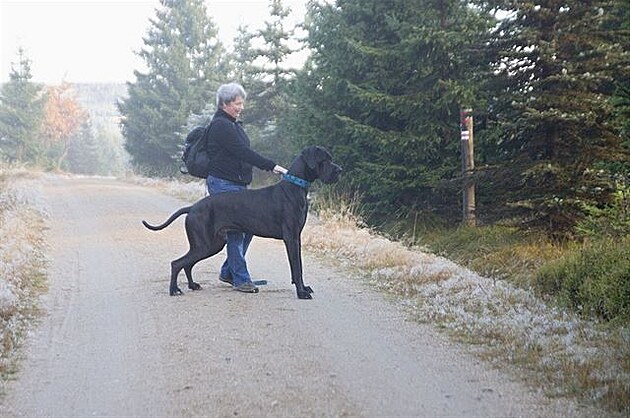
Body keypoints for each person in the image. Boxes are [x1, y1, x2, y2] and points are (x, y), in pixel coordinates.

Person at [205, 82, 286, 293]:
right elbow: (242, 152)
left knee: (248, 227)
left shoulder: (232, 124)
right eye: (237, 104)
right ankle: (241, 279)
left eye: (242, 103)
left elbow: (242, 152)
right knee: (235, 231)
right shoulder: (221, 126)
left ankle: (229, 272)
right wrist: (272, 166)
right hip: (223, 184)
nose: (241, 107)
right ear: (224, 103)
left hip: (237, 184)